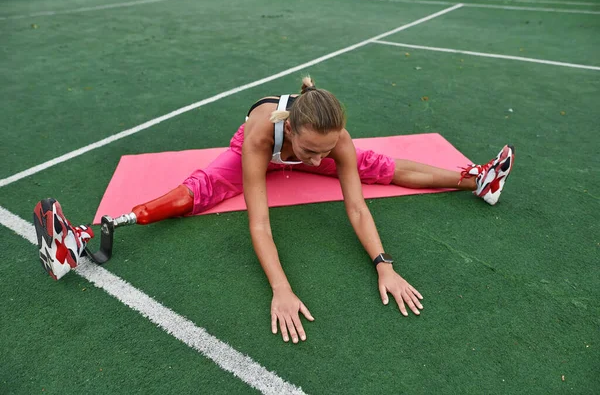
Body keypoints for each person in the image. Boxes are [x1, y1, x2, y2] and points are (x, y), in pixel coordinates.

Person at [33, 76, 515, 343]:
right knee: (199, 189)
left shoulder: (331, 143)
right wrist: (281, 289)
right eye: (310, 151)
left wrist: (383, 265)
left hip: (307, 142)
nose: (319, 161)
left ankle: (477, 179)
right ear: (292, 133)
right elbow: (258, 221)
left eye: (327, 151)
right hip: (257, 149)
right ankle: (81, 239)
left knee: (377, 165)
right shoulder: (263, 134)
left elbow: (358, 208)